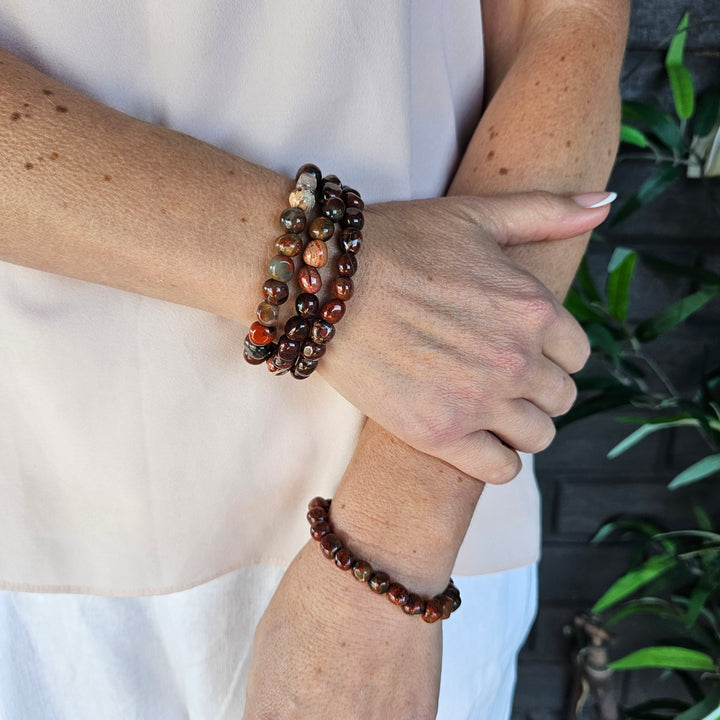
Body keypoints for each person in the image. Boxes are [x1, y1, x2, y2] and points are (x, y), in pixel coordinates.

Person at [0, 1, 630, 717]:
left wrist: (393, 546)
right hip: (33, 515)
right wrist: (341, 283)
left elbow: (565, 22)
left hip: (427, 507)